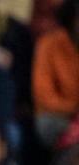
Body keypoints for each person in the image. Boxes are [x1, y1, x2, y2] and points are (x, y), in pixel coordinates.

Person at [32, 0, 79, 148]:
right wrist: (73, 109)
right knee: (46, 124)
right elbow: (44, 97)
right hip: (60, 116)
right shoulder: (49, 44)